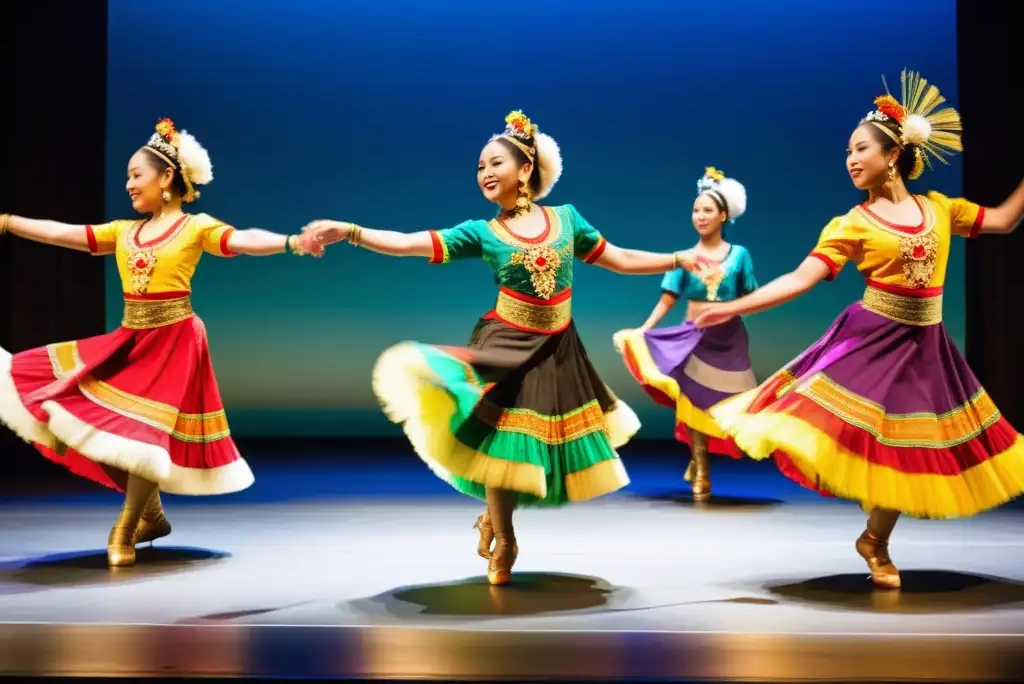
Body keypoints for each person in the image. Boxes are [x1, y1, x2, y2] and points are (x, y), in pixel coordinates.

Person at [300, 110, 706, 585]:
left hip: (557, 348)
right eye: (479, 167)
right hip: (505, 343)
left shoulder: (567, 220)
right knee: (500, 442)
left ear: (526, 169)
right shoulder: (483, 232)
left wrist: (678, 257)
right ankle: (507, 539)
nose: (485, 174)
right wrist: (351, 231)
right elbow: (411, 243)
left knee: (524, 449)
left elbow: (620, 259)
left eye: (494, 163)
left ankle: (495, 520)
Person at [693, 71, 1024, 588]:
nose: (850, 158)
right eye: (847, 150)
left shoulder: (939, 209)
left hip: (926, 346)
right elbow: (801, 280)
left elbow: (1003, 220)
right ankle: (876, 542)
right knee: (878, 444)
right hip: (870, 341)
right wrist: (736, 306)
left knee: (911, 449)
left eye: (860, 148)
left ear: (892, 154)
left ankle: (874, 539)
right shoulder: (852, 223)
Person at [0, 118, 319, 567]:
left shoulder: (194, 227)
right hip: (132, 340)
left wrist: (292, 242)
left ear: (166, 177)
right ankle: (151, 515)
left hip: (176, 341)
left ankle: (126, 527)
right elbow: (63, 232)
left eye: (136, 175)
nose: (128, 184)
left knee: (148, 434)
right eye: (128, 176)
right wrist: (9, 222)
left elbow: (243, 239)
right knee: (117, 425)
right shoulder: (123, 232)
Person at [613, 168, 758, 501]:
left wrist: (733, 309)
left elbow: (750, 296)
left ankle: (703, 458)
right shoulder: (684, 258)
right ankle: (702, 468)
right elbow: (668, 298)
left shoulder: (739, 256)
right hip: (692, 339)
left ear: (723, 215)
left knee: (727, 404)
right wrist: (643, 331)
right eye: (696, 210)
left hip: (729, 341)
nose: (700, 216)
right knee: (692, 402)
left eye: (708, 210)